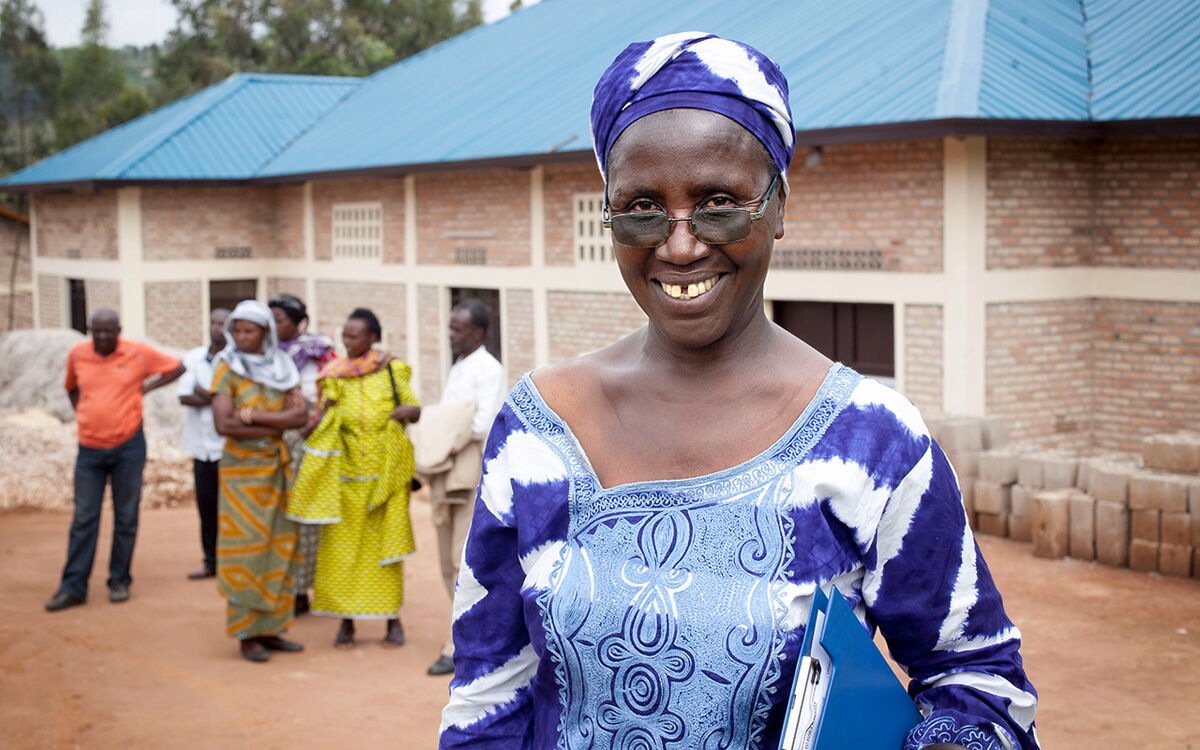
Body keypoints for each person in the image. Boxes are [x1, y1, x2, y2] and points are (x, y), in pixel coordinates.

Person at [439, 34, 1039, 750]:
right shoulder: (536, 429)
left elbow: (978, 678)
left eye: (720, 202)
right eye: (640, 207)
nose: (681, 245)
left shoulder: (871, 440)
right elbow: (488, 694)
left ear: (779, 207)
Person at [289, 308, 421, 648]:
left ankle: (393, 622)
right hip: (344, 478)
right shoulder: (333, 375)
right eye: (345, 336)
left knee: (385, 552)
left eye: (354, 336)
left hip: (386, 478)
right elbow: (321, 419)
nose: (347, 342)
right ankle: (346, 624)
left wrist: (404, 412)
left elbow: (414, 408)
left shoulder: (393, 369)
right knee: (340, 553)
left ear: (372, 337)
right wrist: (313, 422)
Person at [45, 309, 185, 612]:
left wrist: (145, 388)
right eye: (98, 331)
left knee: (126, 517)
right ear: (90, 330)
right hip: (89, 449)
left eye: (109, 331)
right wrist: (83, 413)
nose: (104, 337)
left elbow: (177, 367)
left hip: (128, 448)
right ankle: (73, 587)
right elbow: (71, 387)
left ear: (118, 330)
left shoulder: (137, 354)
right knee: (84, 518)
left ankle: (119, 580)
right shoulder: (78, 354)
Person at [210, 300, 309, 663]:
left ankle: (272, 629)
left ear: (265, 332)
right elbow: (224, 424)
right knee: (247, 550)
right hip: (241, 473)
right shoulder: (226, 367)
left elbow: (300, 416)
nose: (242, 337)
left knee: (280, 546)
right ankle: (247, 633)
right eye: (237, 330)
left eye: (249, 330)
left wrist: (250, 416)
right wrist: (277, 419)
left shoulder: (283, 366)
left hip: (277, 471)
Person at [424, 298, 507, 677]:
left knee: (462, 558)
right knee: (445, 558)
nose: (450, 334)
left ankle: (462, 642)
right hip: (447, 465)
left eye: (457, 329)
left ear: (477, 332)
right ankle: (463, 633)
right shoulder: (460, 365)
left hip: (469, 467)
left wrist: (433, 425)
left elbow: (481, 424)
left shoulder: (489, 369)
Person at [267, 293, 336, 615]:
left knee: (310, 517)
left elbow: (336, 393)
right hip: (278, 437)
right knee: (282, 513)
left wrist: (314, 421)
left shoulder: (320, 352)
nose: (273, 326)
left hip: (317, 441)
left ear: (298, 322)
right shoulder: (265, 356)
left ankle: (307, 590)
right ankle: (287, 588)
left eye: (279, 319)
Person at [177, 308, 230, 579]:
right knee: (206, 507)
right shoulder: (194, 356)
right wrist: (218, 398)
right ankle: (210, 561)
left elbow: (235, 400)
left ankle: (231, 562)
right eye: (213, 322)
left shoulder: (236, 360)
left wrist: (205, 392)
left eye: (223, 323)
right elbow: (184, 396)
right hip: (201, 448)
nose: (217, 327)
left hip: (228, 448)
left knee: (230, 509)